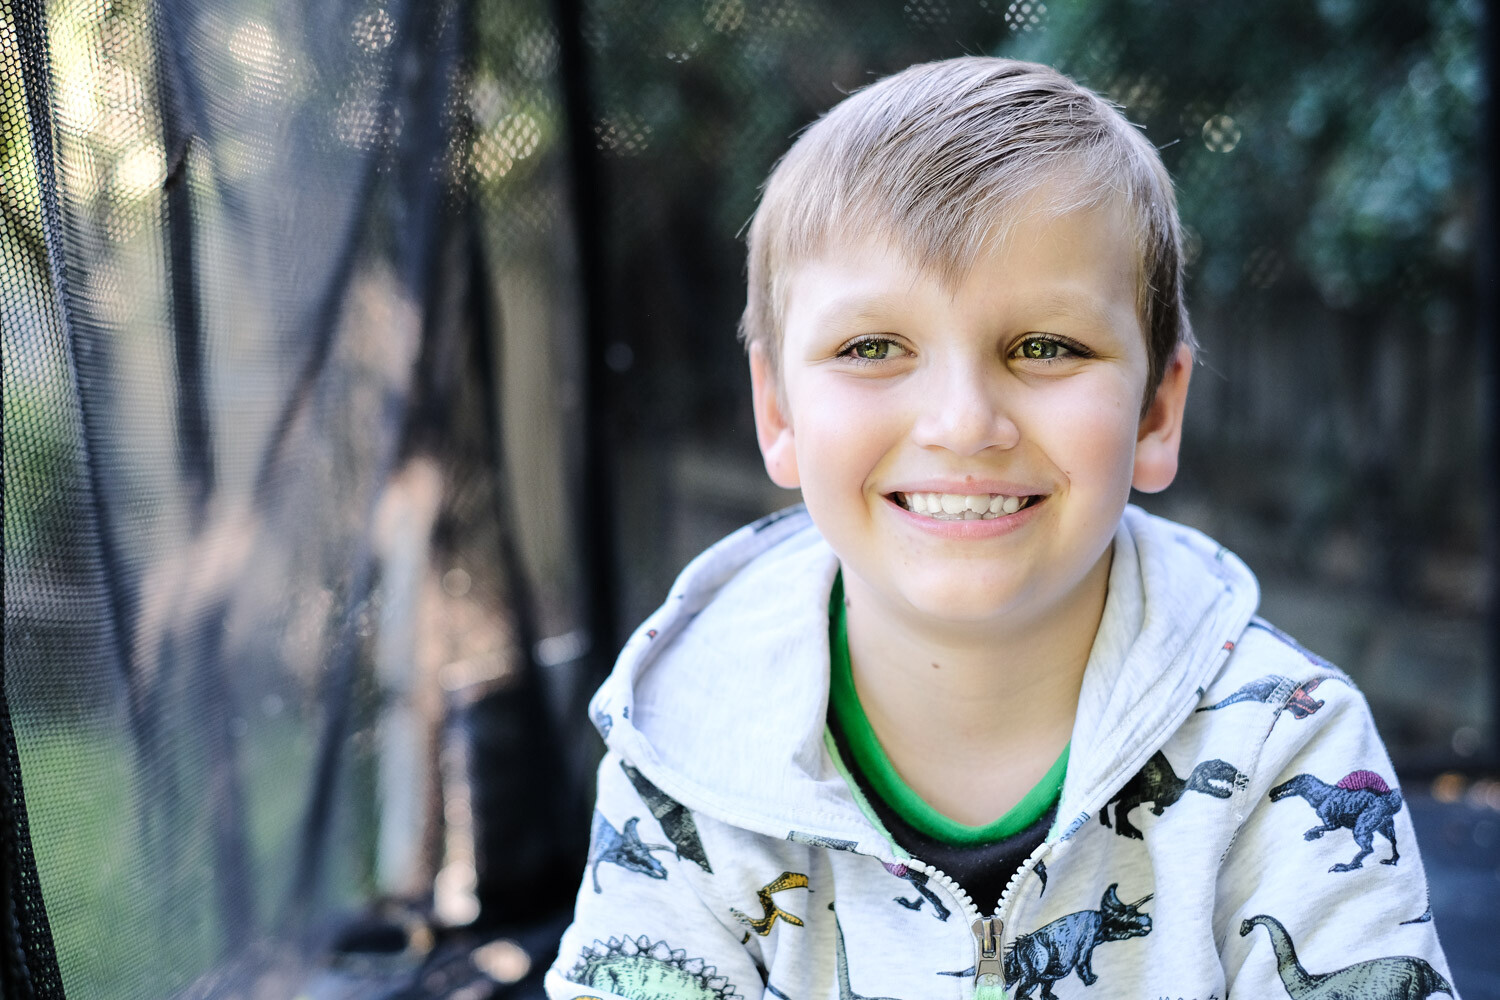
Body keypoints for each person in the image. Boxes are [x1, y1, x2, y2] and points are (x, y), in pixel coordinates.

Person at [544, 57, 1456, 1000]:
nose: (964, 423)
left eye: (1046, 347)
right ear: (777, 413)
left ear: (1156, 412)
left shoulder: (1285, 743)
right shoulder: (682, 746)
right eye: (872, 348)